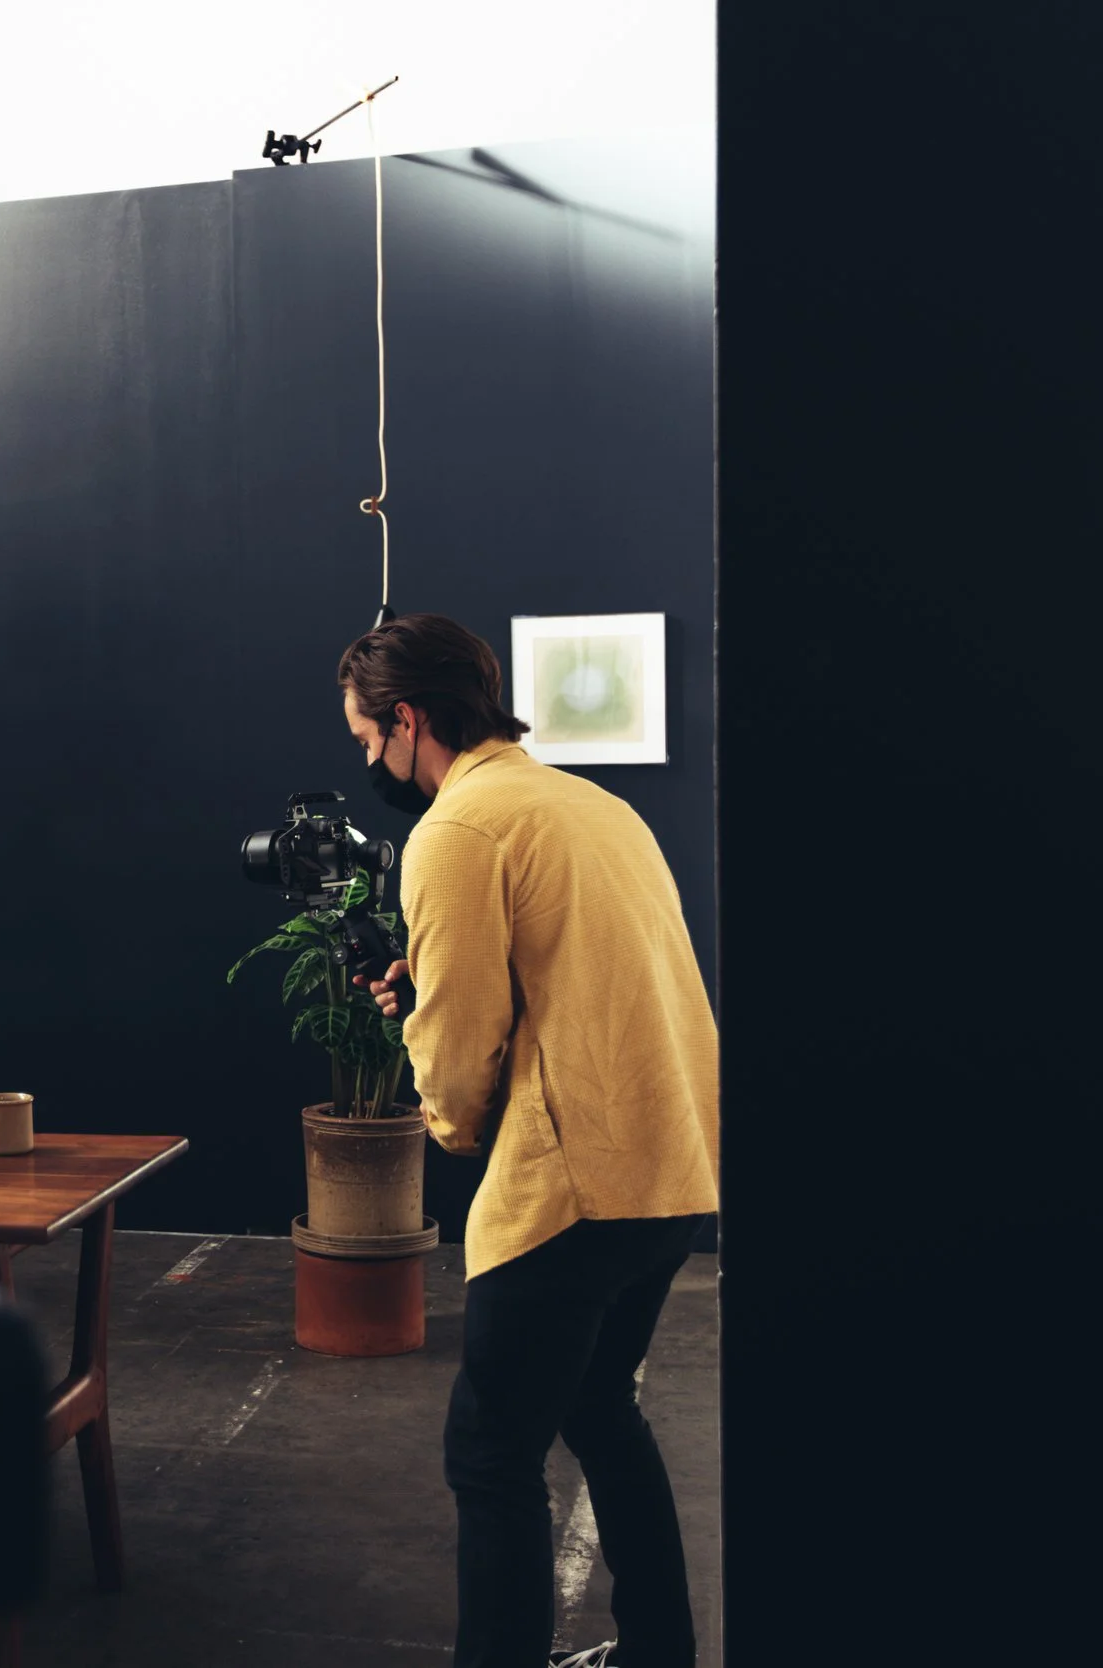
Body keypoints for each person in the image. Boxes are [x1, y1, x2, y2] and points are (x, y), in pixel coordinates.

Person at [339, 616, 719, 1668]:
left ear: (408, 719)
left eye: (369, 740)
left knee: (490, 1457)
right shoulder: (592, 806)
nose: (371, 762)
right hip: (671, 1169)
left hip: (575, 1189)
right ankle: (658, 1651)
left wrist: (448, 1108)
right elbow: (581, 982)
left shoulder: (455, 832)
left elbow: (459, 1067)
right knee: (601, 1409)